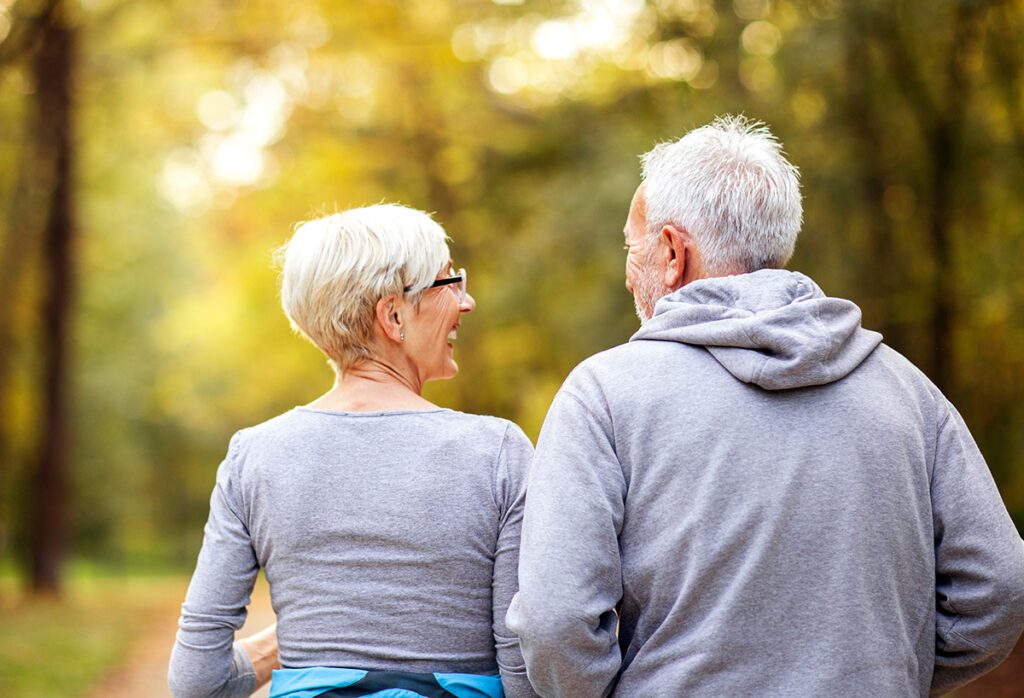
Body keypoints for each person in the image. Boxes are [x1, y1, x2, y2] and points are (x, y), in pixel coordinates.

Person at [506, 115, 1024, 697]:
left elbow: (555, 622)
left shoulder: (603, 393)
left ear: (673, 252)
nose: (630, 278)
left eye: (633, 248)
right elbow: (999, 588)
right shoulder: (906, 389)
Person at [168, 204, 538, 698]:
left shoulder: (254, 457)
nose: (466, 302)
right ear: (393, 315)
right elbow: (526, 672)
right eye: (450, 283)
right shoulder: (498, 452)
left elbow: (197, 682)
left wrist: (314, 647)